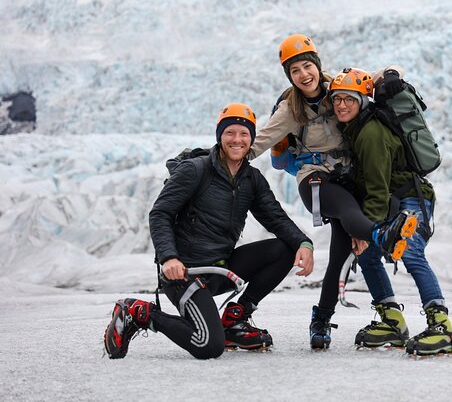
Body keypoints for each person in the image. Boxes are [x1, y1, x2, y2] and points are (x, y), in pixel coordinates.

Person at [103, 103, 315, 360]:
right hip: (185, 274)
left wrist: (304, 243)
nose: (237, 139)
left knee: (284, 249)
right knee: (208, 346)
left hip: (220, 268)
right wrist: (169, 257)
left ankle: (235, 320)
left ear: (251, 139)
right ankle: (139, 313)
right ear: (220, 136)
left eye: (244, 134)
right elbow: (160, 214)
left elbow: (276, 218)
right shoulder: (195, 170)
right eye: (230, 133)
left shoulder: (252, 179)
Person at [248, 34, 417, 349]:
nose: (303, 75)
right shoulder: (290, 108)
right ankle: (384, 235)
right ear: (289, 76)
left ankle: (321, 320)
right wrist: (214, 158)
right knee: (349, 213)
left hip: (346, 179)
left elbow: (386, 71)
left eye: (307, 66)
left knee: (340, 256)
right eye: (294, 70)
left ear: (317, 64)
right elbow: (258, 142)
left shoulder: (339, 87)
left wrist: (393, 75)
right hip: (314, 179)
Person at [331, 67, 452, 356]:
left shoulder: (370, 133)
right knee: (370, 256)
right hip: (395, 200)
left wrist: (364, 230)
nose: (341, 105)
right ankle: (392, 322)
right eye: (336, 99)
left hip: (411, 198)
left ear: (362, 101)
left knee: (411, 252)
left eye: (349, 99)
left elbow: (376, 188)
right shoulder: (358, 127)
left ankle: (441, 326)